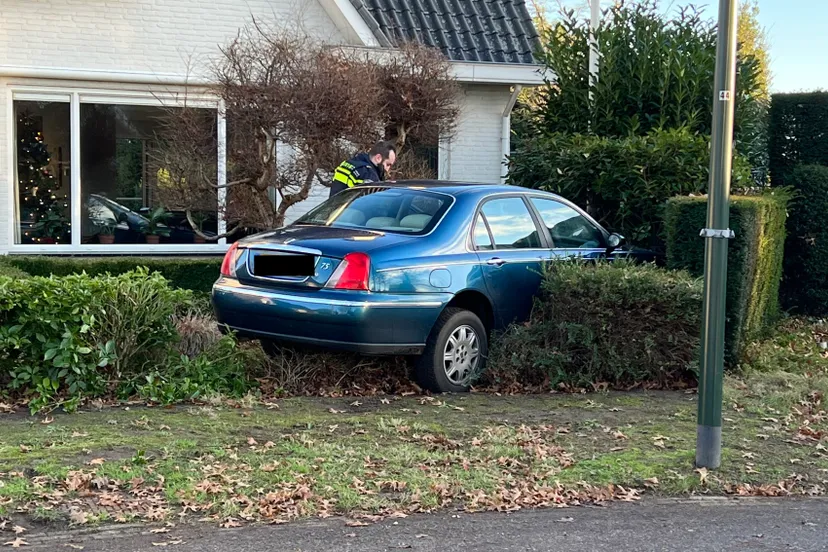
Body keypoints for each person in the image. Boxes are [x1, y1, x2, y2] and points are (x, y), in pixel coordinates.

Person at [329, 140, 397, 198]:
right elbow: (373, 204)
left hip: (334, 209)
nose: (388, 169)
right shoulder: (367, 174)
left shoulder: (348, 163)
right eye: (388, 164)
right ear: (378, 158)